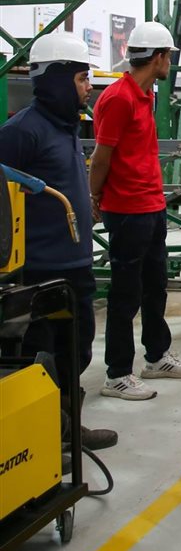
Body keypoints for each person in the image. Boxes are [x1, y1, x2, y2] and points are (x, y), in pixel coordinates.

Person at [0, 32, 116, 450]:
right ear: (56, 79)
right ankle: (46, 441)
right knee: (42, 356)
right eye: (82, 78)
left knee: (75, 350)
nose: (88, 87)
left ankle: (66, 430)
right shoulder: (22, 131)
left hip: (74, 264)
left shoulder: (65, 126)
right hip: (38, 271)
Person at [90, 21, 181, 400]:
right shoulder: (119, 98)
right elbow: (101, 156)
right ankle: (117, 374)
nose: (170, 63)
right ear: (159, 57)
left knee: (155, 286)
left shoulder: (144, 94)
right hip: (127, 209)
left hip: (151, 205)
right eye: (169, 57)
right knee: (126, 292)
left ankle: (156, 357)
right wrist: (93, 196)